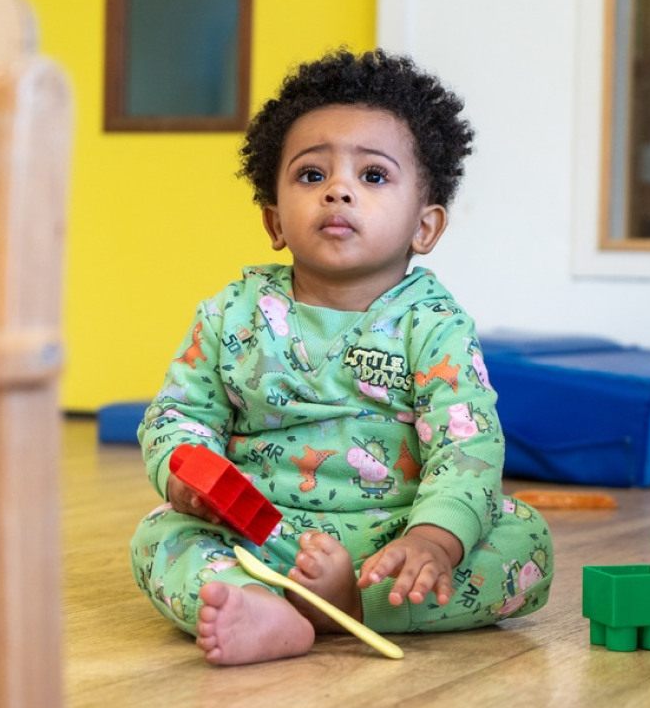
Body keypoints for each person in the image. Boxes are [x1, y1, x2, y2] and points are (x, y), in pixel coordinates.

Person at [130, 49, 554, 666]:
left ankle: (351, 605)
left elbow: (467, 447)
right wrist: (184, 473)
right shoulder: (230, 314)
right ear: (274, 220)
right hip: (262, 536)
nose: (338, 191)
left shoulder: (434, 325)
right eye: (311, 176)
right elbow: (176, 415)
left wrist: (433, 540)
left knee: (525, 540)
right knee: (158, 535)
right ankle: (261, 607)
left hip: (391, 539)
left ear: (425, 227)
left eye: (373, 176)